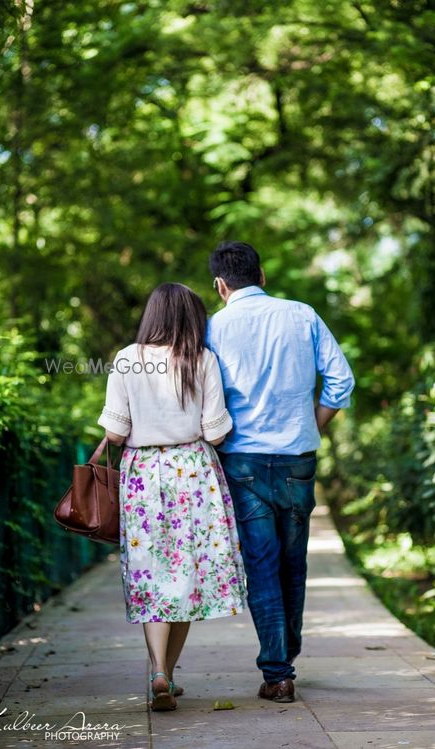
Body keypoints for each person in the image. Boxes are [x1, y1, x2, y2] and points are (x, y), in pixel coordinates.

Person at [206, 241, 355, 703]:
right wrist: (313, 425)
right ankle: (286, 652)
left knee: (262, 565)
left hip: (242, 461)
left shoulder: (213, 327)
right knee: (294, 561)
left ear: (220, 286)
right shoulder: (303, 315)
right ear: (262, 275)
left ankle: (278, 672)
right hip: (297, 459)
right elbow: (341, 380)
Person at [98, 282, 246, 712]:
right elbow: (217, 431)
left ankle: (159, 670)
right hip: (193, 473)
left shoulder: (128, 358)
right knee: (186, 576)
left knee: (150, 574)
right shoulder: (202, 360)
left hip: (142, 476)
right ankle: (167, 674)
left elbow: (115, 433)